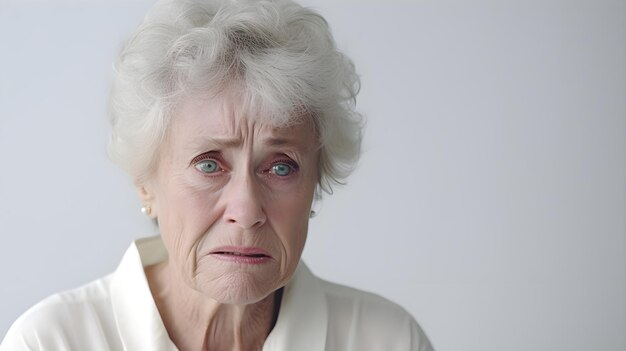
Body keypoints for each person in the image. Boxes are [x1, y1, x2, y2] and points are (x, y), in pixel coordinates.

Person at [1, 0, 433, 350]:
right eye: (209, 164)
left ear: (316, 183)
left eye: (281, 167)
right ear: (144, 182)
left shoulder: (388, 340)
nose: (246, 211)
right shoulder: (50, 341)